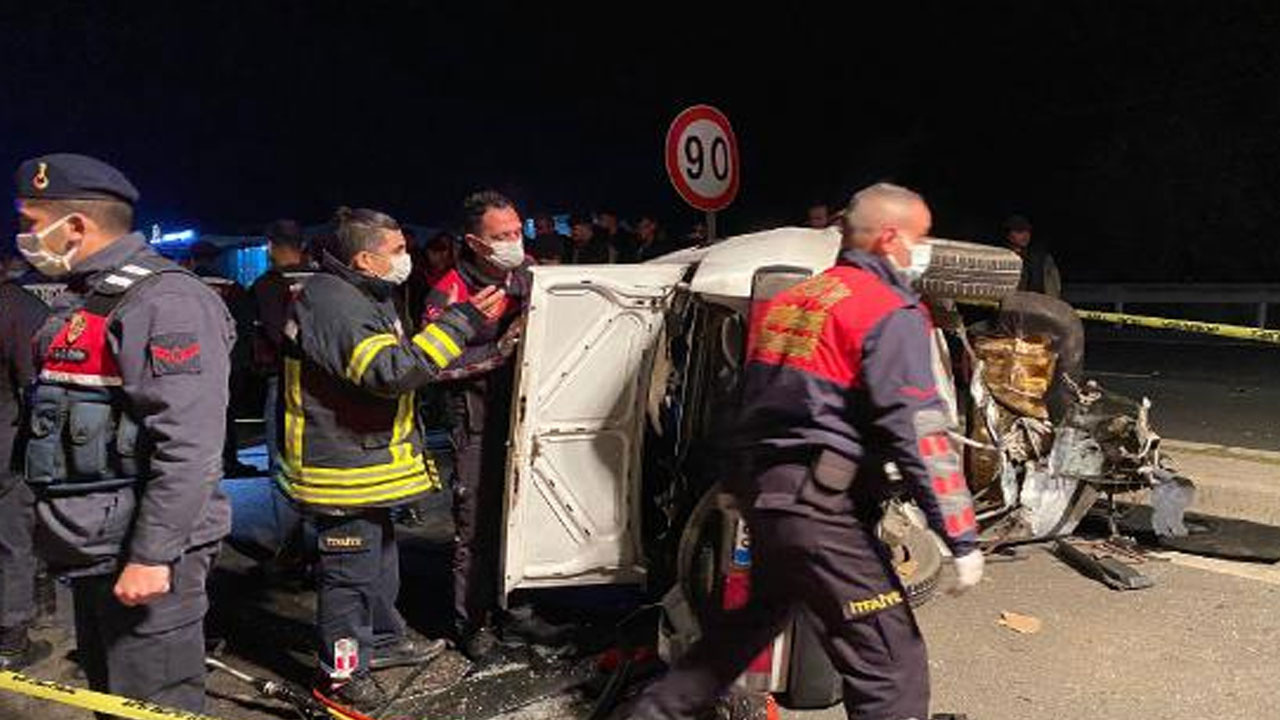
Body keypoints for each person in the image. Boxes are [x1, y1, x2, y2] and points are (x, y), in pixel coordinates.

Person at [630, 183, 984, 720]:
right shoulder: (888, 310)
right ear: (890, 238)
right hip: (822, 513)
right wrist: (960, 534)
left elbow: (745, 399)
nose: (924, 249)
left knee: (736, 639)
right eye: (920, 236)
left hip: (771, 503)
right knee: (891, 664)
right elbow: (920, 431)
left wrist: (738, 488)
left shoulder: (798, 300)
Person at [13, 153, 234, 712]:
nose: (24, 237)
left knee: (152, 702)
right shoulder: (83, 298)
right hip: (95, 547)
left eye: (31, 223)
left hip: (141, 553)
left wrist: (153, 555)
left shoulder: (166, 301)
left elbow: (189, 445)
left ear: (77, 227)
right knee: (113, 698)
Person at [277, 206, 504, 712]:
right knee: (348, 578)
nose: (407, 259)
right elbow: (389, 373)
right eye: (397, 251)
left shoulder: (362, 293)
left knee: (378, 561)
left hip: (363, 466)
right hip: (339, 472)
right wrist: (460, 321)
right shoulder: (333, 303)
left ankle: (382, 639)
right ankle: (339, 676)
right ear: (364, 258)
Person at [420, 191, 531, 661]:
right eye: (500, 236)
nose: (512, 242)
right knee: (478, 527)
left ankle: (519, 611)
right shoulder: (450, 289)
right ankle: (474, 623)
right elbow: (428, 365)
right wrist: (498, 352)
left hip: (530, 419)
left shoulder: (530, 276)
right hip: (478, 423)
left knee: (524, 522)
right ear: (474, 241)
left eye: (517, 232)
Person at [0, 261, 52, 670]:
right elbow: (34, 381)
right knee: (13, 536)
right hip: (5, 438)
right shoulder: (17, 305)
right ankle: (12, 640)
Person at [187, 239, 259, 477]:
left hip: (192, 361)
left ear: (193, 259)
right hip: (229, 360)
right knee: (226, 413)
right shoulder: (233, 287)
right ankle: (228, 460)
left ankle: (198, 463)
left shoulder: (184, 285)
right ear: (216, 259)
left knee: (192, 413)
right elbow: (245, 326)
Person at [249, 219, 313, 472]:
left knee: (282, 456)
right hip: (326, 378)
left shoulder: (266, 285)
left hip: (283, 376)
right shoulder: (324, 279)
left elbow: (274, 333)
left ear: (270, 246)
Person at [1003, 214, 1061, 298]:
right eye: (1019, 231)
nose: (1025, 235)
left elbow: (1053, 286)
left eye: (1028, 231)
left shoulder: (1042, 259)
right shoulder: (1002, 258)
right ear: (1008, 235)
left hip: (1037, 304)